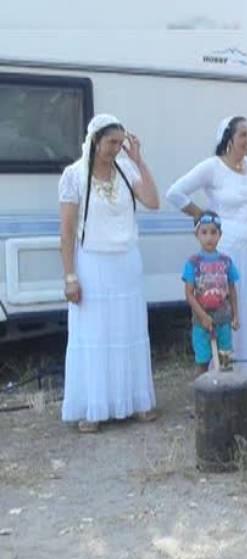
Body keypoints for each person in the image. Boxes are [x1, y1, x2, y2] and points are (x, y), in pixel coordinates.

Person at [58, 114, 160, 433]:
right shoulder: (74, 175)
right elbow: (67, 231)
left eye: (120, 143)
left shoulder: (126, 170)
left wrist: (139, 160)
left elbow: (153, 202)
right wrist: (70, 277)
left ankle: (134, 401)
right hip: (93, 264)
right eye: (111, 142)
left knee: (127, 332)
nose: (116, 148)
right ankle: (94, 406)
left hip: (126, 262)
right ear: (95, 139)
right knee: (95, 335)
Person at [166, 115, 247, 387]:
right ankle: (223, 375)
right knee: (225, 309)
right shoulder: (212, 167)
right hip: (226, 251)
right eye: (244, 134)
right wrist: (204, 217)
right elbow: (175, 193)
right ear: (229, 139)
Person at [181, 211, 239, 373]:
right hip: (201, 323)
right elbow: (189, 294)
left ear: (220, 235)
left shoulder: (226, 261)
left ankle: (225, 393)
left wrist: (235, 315)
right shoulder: (193, 263)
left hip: (223, 320)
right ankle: (203, 394)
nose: (209, 237)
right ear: (197, 235)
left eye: (214, 232)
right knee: (202, 361)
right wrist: (203, 316)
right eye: (204, 232)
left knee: (225, 361)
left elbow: (232, 289)